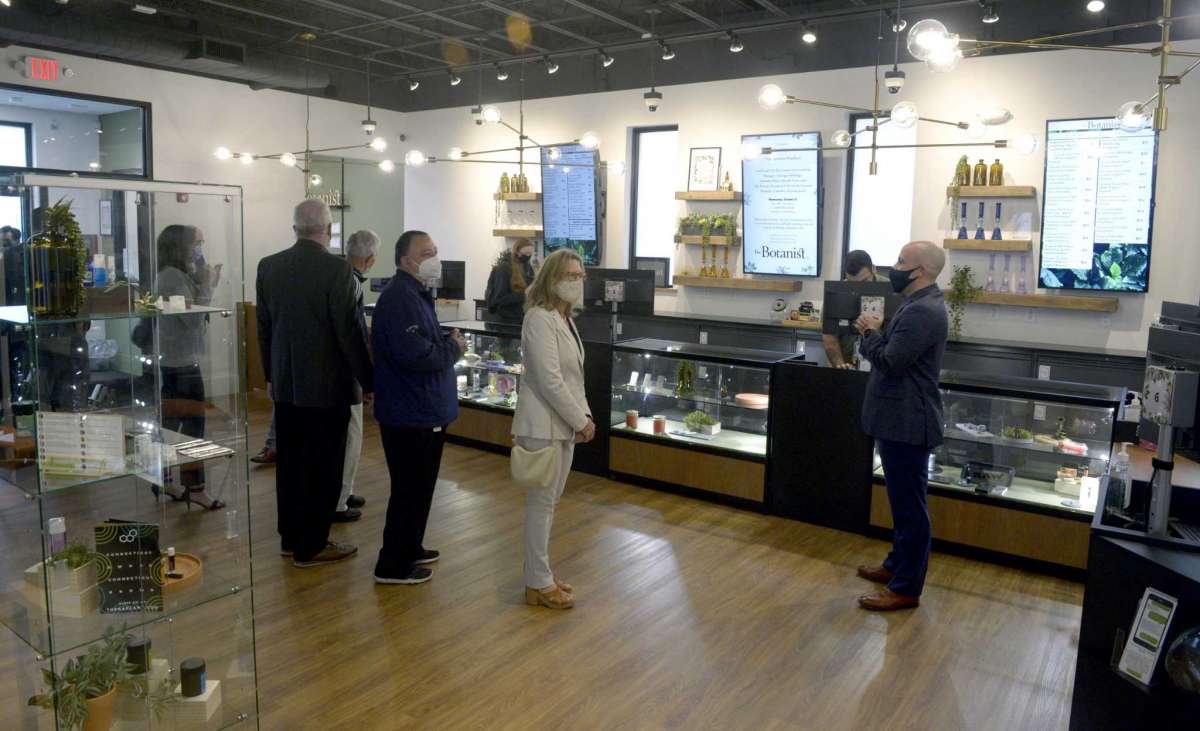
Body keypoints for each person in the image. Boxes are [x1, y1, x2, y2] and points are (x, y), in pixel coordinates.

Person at [256, 200, 373, 568]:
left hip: (288, 385)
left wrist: (271, 376)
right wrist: (369, 381)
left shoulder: (269, 266)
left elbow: (264, 328)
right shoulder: (336, 270)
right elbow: (350, 333)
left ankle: (291, 538)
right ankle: (314, 544)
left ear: (295, 229)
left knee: (290, 463)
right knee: (324, 466)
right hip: (328, 387)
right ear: (328, 230)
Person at [854, 241, 948, 611]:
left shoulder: (922, 311)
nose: (893, 267)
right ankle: (896, 565)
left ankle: (906, 587)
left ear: (921, 270)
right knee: (902, 501)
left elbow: (891, 361)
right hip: (899, 419)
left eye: (900, 262)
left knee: (910, 507)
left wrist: (868, 333)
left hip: (908, 421)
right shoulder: (916, 304)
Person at [371, 230, 465, 585]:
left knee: (421, 486)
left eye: (436, 250)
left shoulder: (416, 294)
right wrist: (453, 349)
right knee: (409, 488)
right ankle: (392, 565)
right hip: (410, 411)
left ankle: (410, 546)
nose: (434, 258)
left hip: (423, 409)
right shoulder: (400, 298)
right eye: (427, 252)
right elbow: (416, 354)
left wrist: (444, 341)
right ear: (406, 260)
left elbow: (422, 341)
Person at [511, 249, 593, 610]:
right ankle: (538, 583)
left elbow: (575, 378)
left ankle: (540, 574)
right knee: (541, 506)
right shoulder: (539, 318)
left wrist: (582, 416)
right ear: (550, 277)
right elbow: (549, 380)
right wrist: (582, 421)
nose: (575, 281)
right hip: (542, 425)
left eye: (579, 275)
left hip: (561, 425)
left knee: (548, 505)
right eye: (568, 275)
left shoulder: (566, 319)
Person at [156, 224, 224, 510]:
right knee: (193, 427)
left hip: (176, 360)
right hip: (181, 364)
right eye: (197, 242)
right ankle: (194, 488)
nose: (201, 248)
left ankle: (167, 480)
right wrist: (207, 285)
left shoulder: (175, 275)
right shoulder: (172, 277)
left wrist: (204, 280)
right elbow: (194, 320)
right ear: (180, 245)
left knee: (173, 424)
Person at [332, 229, 378, 523]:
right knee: (351, 436)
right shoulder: (351, 282)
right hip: (346, 374)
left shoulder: (340, 276)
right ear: (371, 258)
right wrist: (367, 379)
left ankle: (344, 490)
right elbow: (354, 334)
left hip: (338, 371)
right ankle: (338, 500)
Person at [822, 249, 890, 369]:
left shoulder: (893, 291)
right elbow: (830, 337)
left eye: (864, 282)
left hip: (881, 367)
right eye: (851, 283)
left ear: (874, 269)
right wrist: (840, 364)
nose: (858, 288)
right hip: (847, 365)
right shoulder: (836, 293)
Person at [484, 238, 536, 323]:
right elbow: (500, 299)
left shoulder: (527, 267)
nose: (528, 256)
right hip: (504, 320)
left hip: (519, 317)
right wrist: (524, 296)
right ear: (517, 252)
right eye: (526, 253)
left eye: (530, 254)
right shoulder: (504, 268)